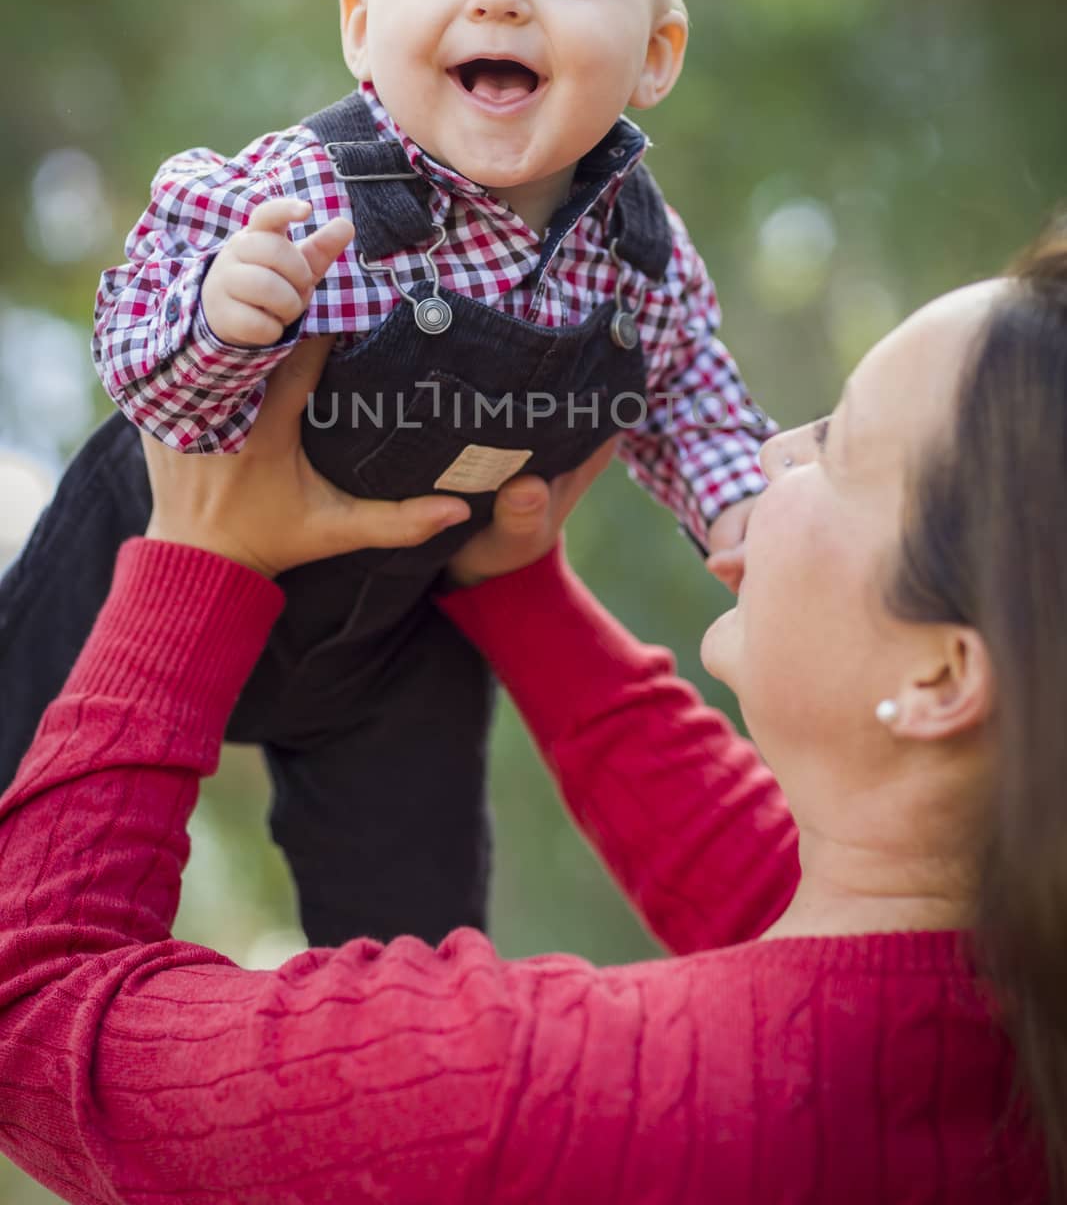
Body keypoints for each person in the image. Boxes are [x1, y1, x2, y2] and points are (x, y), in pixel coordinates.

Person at [1, 230, 1064, 1204]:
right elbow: (757, 885)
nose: (776, 447)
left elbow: (35, 1011)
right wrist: (516, 585)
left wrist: (198, 557)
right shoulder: (1017, 1044)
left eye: (833, 446)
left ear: (939, 678)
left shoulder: (538, 1094)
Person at [0, 0, 774, 948]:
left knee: (412, 939)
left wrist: (743, 512)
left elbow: (694, 405)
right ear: (360, 26)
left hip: (395, 638)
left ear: (655, 53)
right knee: (22, 784)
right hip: (146, 566)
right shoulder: (291, 194)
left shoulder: (641, 266)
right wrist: (223, 321)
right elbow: (145, 387)